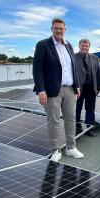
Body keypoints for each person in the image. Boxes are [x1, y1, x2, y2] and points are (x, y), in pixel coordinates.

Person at [33, 18, 84, 162]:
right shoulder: (43, 45)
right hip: (51, 91)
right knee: (53, 120)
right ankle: (55, 150)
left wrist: (77, 86)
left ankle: (71, 147)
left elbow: (73, 67)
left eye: (61, 28)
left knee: (71, 118)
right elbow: (37, 69)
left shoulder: (69, 45)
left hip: (70, 89)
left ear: (65, 30)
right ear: (51, 29)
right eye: (56, 28)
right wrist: (41, 90)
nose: (59, 31)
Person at [74, 38, 100, 137]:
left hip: (91, 88)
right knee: (77, 109)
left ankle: (89, 128)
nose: (84, 47)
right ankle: (77, 128)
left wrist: (98, 88)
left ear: (89, 47)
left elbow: (98, 73)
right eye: (83, 46)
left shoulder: (94, 57)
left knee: (90, 109)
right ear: (79, 46)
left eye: (86, 46)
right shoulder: (73, 57)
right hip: (78, 89)